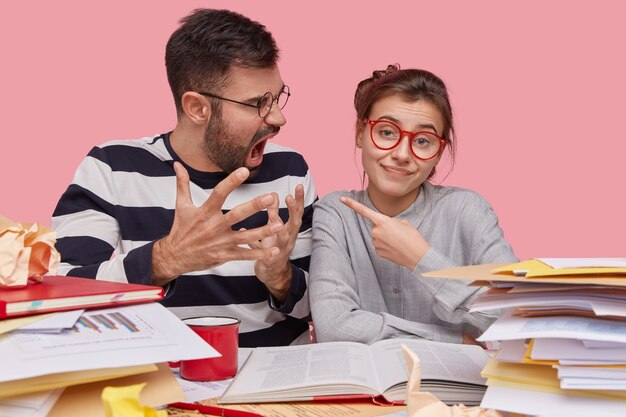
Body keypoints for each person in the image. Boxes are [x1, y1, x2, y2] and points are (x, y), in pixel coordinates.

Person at [51, 9, 316, 347]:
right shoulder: (112, 168)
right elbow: (61, 296)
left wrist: (282, 278)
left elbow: (319, 308)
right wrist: (165, 260)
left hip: (276, 383)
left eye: (277, 97)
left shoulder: (290, 169)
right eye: (258, 104)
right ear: (197, 108)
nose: (278, 118)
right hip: (160, 379)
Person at [309, 65, 517, 344]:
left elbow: (515, 316)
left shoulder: (469, 210)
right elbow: (334, 326)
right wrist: (457, 340)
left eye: (422, 140)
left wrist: (421, 259)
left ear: (439, 152)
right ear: (360, 132)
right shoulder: (335, 212)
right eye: (386, 132)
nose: (402, 154)